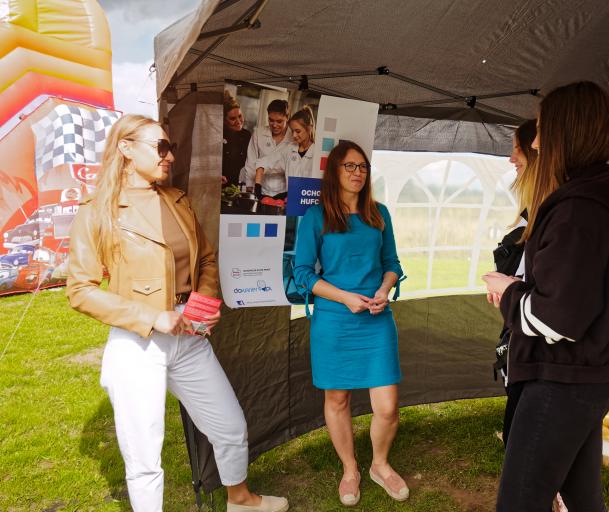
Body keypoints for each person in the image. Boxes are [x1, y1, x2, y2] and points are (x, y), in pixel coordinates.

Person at [66, 114, 288, 512]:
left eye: (172, 147)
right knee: (144, 457)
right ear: (126, 149)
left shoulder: (177, 199)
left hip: (189, 335)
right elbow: (80, 291)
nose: (169, 156)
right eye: (161, 147)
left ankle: (241, 500)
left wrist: (201, 305)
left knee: (230, 425)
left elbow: (205, 258)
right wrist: (152, 317)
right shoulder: (97, 211)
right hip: (138, 342)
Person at [482, 81, 609, 512]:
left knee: (519, 502)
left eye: (542, 130)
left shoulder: (577, 210)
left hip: (564, 377)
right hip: (584, 374)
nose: (534, 142)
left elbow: (559, 319)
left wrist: (509, 292)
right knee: (582, 496)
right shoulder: (591, 200)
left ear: (567, 133)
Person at [293, 140, 407, 507]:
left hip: (376, 320)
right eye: (350, 167)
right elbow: (302, 275)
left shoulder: (380, 214)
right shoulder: (316, 218)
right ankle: (350, 469)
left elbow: (393, 263)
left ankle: (379, 465)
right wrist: (345, 297)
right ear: (335, 172)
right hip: (334, 321)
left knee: (388, 407)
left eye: (363, 167)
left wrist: (385, 288)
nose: (358, 173)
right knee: (337, 399)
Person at [492, 118, 537, 445]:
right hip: (524, 335)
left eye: (517, 149)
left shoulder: (557, 213)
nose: (512, 158)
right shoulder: (532, 211)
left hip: (539, 346)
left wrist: (510, 288)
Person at [244, 105, 316, 210]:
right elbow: (262, 163)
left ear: (309, 128)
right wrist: (258, 191)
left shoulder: (318, 152)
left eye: (298, 131)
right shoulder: (290, 149)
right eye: (292, 131)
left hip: (311, 208)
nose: (294, 135)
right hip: (290, 206)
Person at [240, 99, 293, 213]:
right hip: (261, 190)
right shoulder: (259, 133)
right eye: (271, 120)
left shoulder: (293, 137)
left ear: (287, 117)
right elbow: (251, 161)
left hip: (284, 191)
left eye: (279, 121)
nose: (274, 125)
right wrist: (250, 187)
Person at [222, 91, 252, 186]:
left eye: (240, 116)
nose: (238, 121)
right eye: (232, 118)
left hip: (238, 187)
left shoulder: (247, 135)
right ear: (223, 120)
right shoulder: (218, 135)